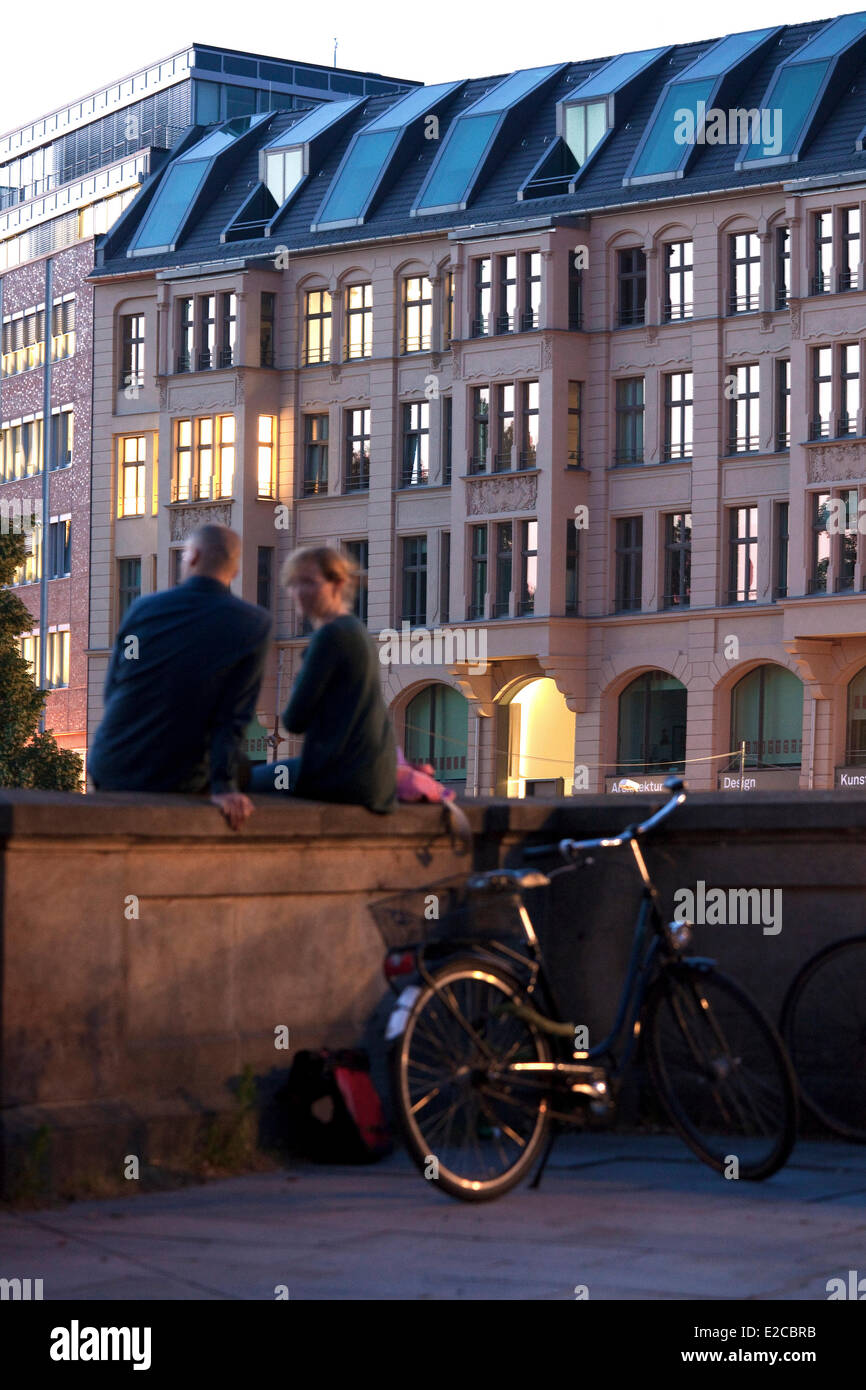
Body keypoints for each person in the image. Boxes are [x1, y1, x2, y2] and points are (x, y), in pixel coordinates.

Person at [88, 523, 271, 829]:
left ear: (194, 556)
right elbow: (233, 717)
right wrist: (224, 787)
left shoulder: (142, 608)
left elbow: (112, 690)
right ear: (235, 571)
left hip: (110, 765)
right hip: (174, 776)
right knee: (248, 770)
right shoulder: (253, 623)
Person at [250, 545, 396, 812]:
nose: (298, 593)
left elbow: (294, 720)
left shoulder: (330, 636)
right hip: (374, 779)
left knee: (240, 782)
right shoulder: (356, 629)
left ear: (337, 584)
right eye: (294, 584)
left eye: (308, 582)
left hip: (342, 777)